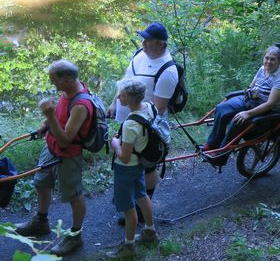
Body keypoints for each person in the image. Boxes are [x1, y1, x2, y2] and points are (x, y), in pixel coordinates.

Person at [15, 60, 93, 257]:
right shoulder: (68, 90)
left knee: (73, 196)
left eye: (54, 80)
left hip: (67, 155)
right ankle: (41, 222)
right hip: (51, 148)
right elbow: (59, 115)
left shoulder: (81, 105)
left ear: (66, 79)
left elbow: (66, 140)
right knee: (41, 183)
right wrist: (46, 124)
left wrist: (49, 116)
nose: (53, 84)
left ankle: (75, 236)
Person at [107, 22, 178, 225]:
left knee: (146, 164)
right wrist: (114, 103)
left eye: (148, 40)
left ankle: (142, 202)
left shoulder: (168, 70)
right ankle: (131, 198)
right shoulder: (140, 55)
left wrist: (135, 130)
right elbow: (125, 82)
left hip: (146, 127)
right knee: (129, 162)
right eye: (144, 39)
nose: (143, 43)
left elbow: (158, 108)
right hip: (128, 120)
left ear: (160, 44)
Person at [201, 46, 280, 164]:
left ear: (279, 61)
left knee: (237, 120)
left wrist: (247, 113)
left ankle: (220, 156)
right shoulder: (262, 69)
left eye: (273, 59)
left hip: (266, 111)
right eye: (266, 58)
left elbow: (270, 104)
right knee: (221, 108)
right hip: (251, 101)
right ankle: (212, 145)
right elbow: (251, 87)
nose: (268, 62)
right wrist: (250, 91)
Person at [106, 79, 159, 260]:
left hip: (126, 168)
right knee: (142, 196)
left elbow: (124, 156)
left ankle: (129, 246)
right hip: (139, 165)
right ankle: (150, 232)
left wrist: (115, 143)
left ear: (130, 97)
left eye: (122, 94)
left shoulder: (130, 124)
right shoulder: (150, 107)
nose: (118, 97)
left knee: (129, 209)